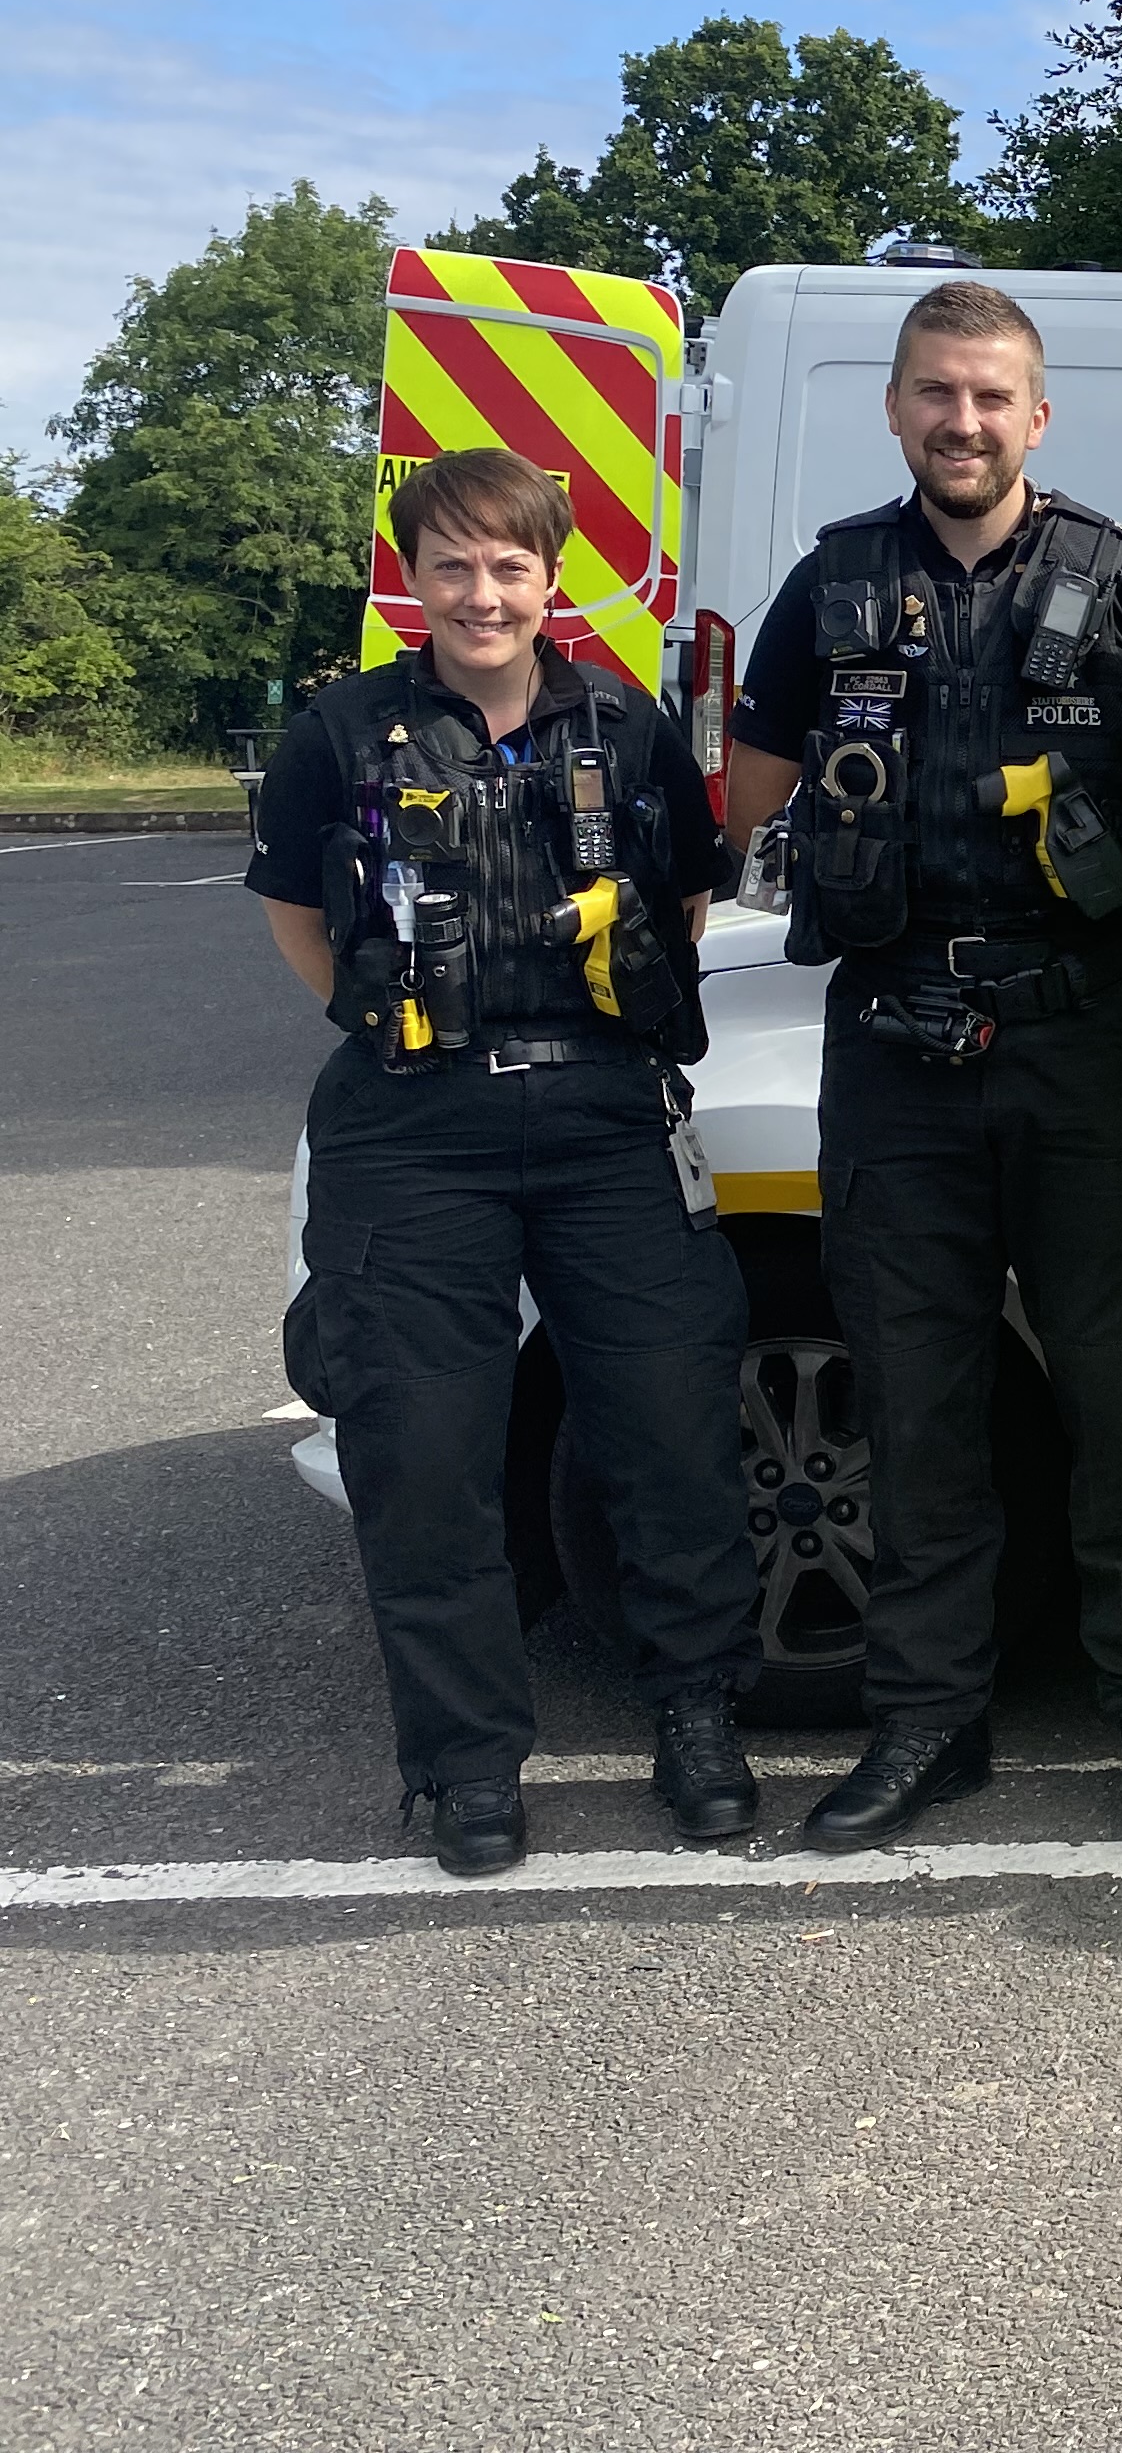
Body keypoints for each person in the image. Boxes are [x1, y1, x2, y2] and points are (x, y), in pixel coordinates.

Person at [721, 280, 1122, 1855]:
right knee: (921, 1407)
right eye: (938, 393)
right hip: (892, 1048)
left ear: (1038, 413)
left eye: (993, 396)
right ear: (895, 407)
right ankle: (927, 1722)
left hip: (1089, 1044)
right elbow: (749, 790)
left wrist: (1103, 926)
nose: (964, 421)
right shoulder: (833, 587)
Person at [253, 446, 758, 1877]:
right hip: (415, 1128)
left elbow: (687, 896)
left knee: (666, 1428)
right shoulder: (340, 735)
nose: (484, 592)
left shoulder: (628, 721)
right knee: (425, 1449)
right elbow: (299, 916)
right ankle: (469, 1768)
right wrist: (424, 1029)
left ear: (552, 577)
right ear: (414, 579)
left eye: (511, 565)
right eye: (455, 565)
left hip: (605, 1114)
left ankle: (698, 1719)